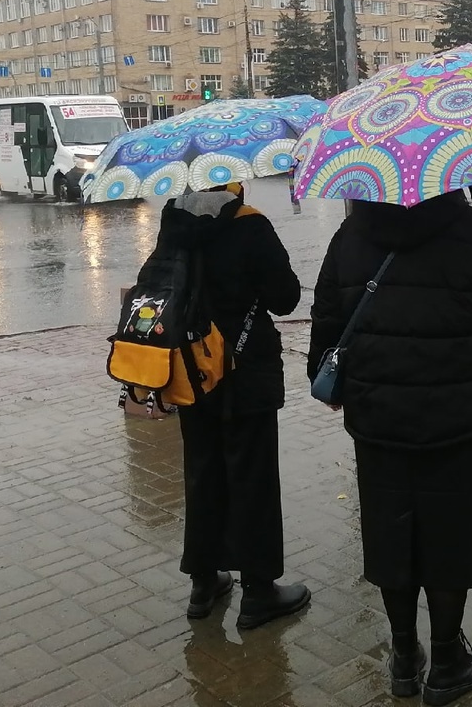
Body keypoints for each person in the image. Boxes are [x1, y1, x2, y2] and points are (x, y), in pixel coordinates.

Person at [308, 191, 472, 705]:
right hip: (458, 416)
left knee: (391, 530)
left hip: (378, 415)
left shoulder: (351, 235)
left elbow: (326, 315)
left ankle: (405, 657)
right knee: (452, 532)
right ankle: (448, 660)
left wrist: (327, 381)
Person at [138, 181, 309, 629]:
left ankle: (203, 582)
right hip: (245, 368)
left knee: (201, 469)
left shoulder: (172, 222)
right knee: (252, 475)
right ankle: (258, 592)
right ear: (235, 181)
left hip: (189, 370)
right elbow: (285, 298)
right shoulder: (250, 224)